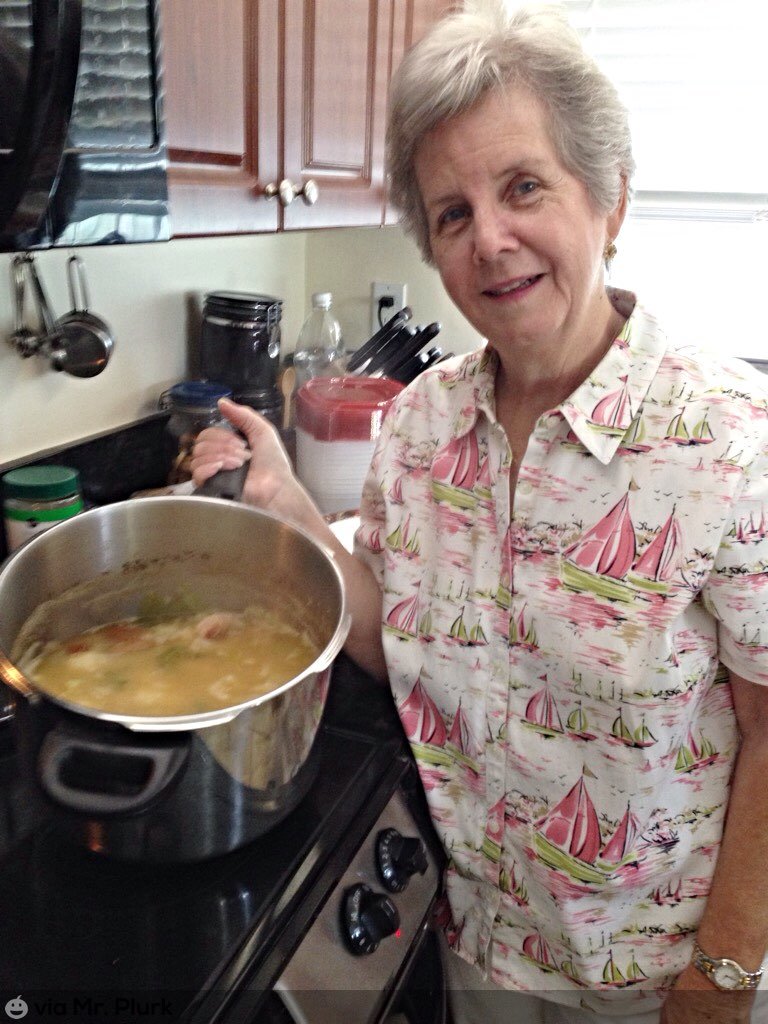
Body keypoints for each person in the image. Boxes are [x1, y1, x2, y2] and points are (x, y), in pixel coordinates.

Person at [191, 3, 768, 1021]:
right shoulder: (419, 422)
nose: (490, 240)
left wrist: (721, 974)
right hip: (475, 944)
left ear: (611, 200)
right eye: (452, 214)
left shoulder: (731, 440)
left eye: (524, 187)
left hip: (653, 981)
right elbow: (397, 633)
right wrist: (283, 504)